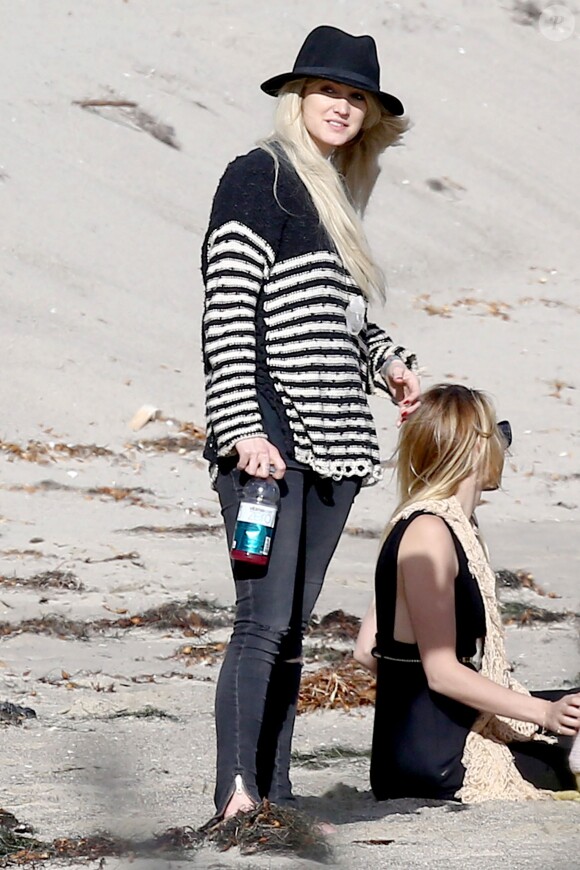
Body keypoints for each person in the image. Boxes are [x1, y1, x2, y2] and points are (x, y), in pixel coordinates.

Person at [201, 25, 421, 820]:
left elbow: (346, 321)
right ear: (298, 98)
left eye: (356, 98)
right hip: (268, 442)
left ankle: (277, 793)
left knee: (292, 629)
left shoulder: (336, 194)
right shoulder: (258, 177)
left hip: (335, 448)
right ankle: (235, 794)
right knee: (259, 626)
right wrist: (241, 430)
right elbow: (227, 312)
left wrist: (391, 363)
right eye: (329, 91)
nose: (342, 106)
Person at [354, 383, 580, 801]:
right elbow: (441, 672)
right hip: (440, 759)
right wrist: (543, 713)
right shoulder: (430, 535)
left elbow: (367, 650)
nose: (504, 449)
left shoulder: (424, 521)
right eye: (499, 435)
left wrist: (418, 701)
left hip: (421, 744)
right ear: (475, 450)